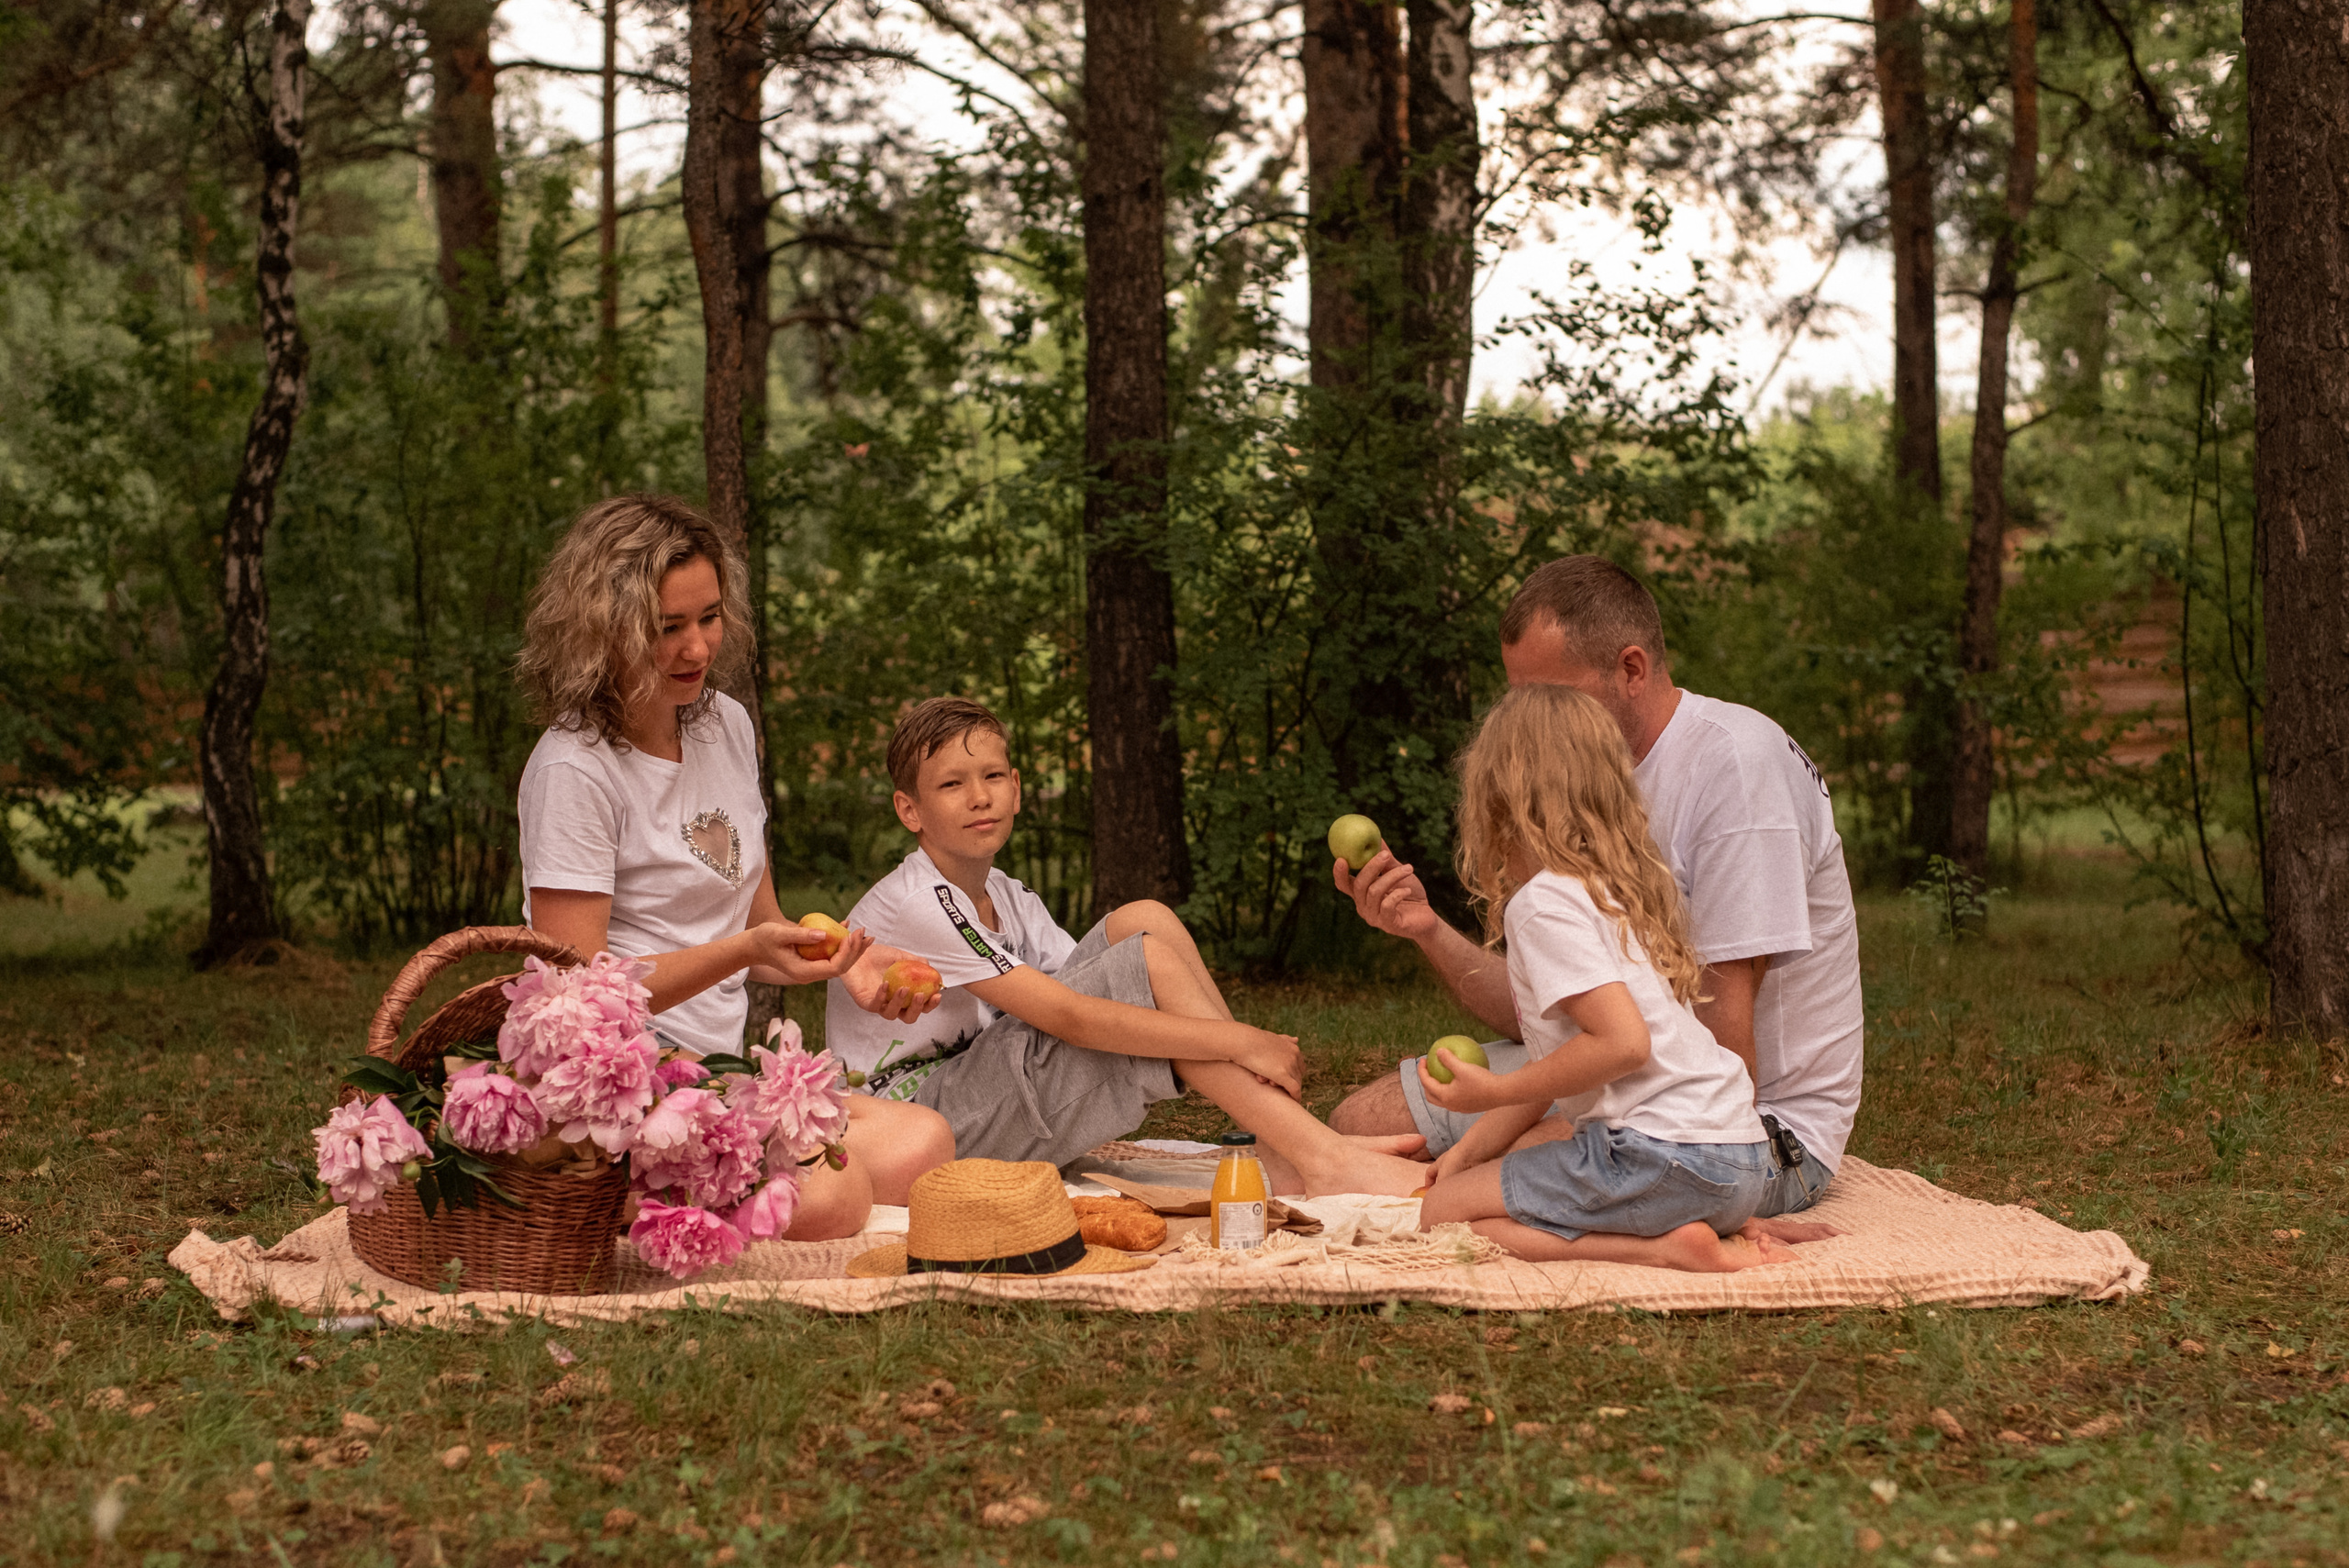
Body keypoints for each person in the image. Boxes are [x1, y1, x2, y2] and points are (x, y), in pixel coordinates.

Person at [1331, 556, 1863, 1229]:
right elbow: (1549, 1019)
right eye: (1517, 698)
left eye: (1550, 696)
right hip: (1633, 1071)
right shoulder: (1579, 790)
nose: (1531, 719)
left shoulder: (1735, 766)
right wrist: (1424, 927)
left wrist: (1542, 1124)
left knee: (1480, 1177)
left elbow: (1727, 1056)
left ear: (1631, 669)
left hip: (1752, 1128)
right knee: (1361, 1123)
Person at [513, 494, 956, 1239]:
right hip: (618, 1086)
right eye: (666, 628)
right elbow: (580, 995)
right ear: (604, 628)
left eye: (709, 617)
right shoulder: (573, 769)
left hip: (719, 1074)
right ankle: (591, 1194)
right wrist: (743, 954)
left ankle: (682, 1186)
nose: (697, 648)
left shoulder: (726, 725)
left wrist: (849, 961)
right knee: (833, 1200)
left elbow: (763, 926)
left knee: (924, 1144)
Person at [823, 696, 1431, 1196]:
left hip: (978, 1093)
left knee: (1145, 919)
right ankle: (1320, 1158)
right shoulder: (919, 901)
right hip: (917, 1126)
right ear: (911, 809)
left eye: (991, 776)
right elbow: (1070, 1016)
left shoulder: (1008, 894)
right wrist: (1244, 1039)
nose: (979, 796)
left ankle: (1285, 1148)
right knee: (1146, 962)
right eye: (952, 784)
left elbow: (1088, 988)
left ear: (1015, 785)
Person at [1413, 684, 1796, 1270]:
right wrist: (1466, 1152)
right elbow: (1558, 1076)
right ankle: (1694, 1228)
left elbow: (1622, 1045)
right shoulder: (1618, 895)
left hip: (1658, 1157)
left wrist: (1494, 1090)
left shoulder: (1543, 904)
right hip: (1740, 1159)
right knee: (1463, 1187)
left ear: (1496, 799)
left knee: (1440, 1212)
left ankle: (1667, 1249)